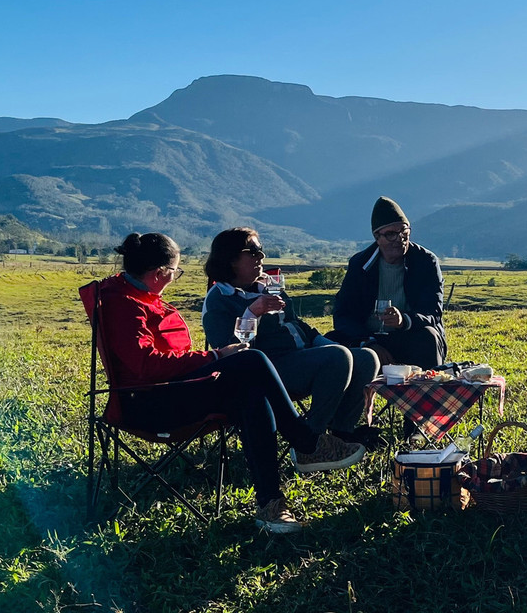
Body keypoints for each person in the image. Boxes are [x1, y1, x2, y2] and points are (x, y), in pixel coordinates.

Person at [104, 232, 365, 533]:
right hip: (149, 403)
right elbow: (147, 366)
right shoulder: (125, 305)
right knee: (251, 360)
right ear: (159, 273)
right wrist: (214, 356)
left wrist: (209, 358)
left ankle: (270, 504)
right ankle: (306, 442)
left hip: (171, 389)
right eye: (175, 272)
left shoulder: (139, 298)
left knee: (251, 392)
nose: (175, 278)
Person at [202, 228, 381, 449]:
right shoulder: (220, 298)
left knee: (365, 357)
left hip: (299, 357)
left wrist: (329, 345)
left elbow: (296, 324)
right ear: (231, 259)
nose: (261, 257)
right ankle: (309, 442)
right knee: (337, 357)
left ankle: (341, 434)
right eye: (254, 251)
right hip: (267, 369)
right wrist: (251, 314)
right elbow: (229, 352)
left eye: (261, 250)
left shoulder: (267, 285)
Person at [330, 196, 447, 369]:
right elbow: (343, 314)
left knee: (428, 336)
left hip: (410, 334)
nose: (399, 239)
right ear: (377, 237)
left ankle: (426, 392)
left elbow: (432, 311)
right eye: (391, 234)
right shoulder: (360, 265)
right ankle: (356, 396)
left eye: (404, 232)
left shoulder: (425, 261)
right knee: (332, 342)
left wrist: (404, 320)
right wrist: (368, 342)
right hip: (369, 337)